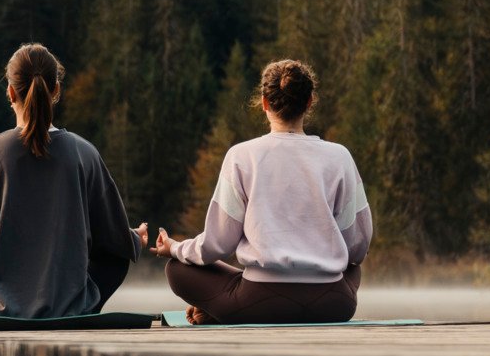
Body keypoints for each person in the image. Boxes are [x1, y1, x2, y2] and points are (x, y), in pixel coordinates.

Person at [0, 44, 137, 320]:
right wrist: (134, 237)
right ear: (56, 90)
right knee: (118, 257)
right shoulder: (85, 154)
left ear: (9, 92)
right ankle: (77, 311)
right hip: (69, 306)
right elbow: (115, 241)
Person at [154, 58, 371, 325]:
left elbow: (217, 244)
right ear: (310, 101)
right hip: (333, 303)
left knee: (177, 269)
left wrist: (175, 248)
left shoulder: (242, 155)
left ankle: (219, 309)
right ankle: (220, 308)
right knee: (352, 266)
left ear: (265, 103)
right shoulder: (340, 157)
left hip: (260, 302)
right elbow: (358, 246)